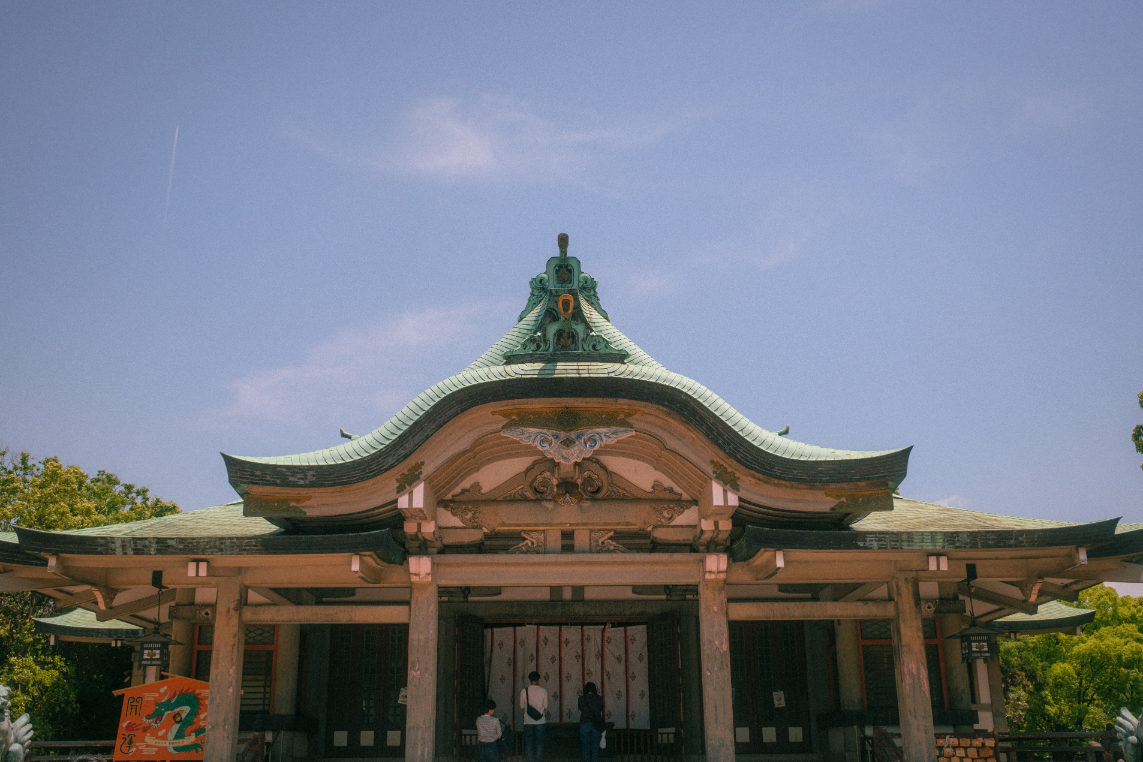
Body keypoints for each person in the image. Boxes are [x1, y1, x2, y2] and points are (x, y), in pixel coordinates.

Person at [520, 670, 548, 762]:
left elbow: (522, 706)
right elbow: (546, 706)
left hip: (528, 721)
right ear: (539, 679)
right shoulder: (543, 691)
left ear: (529, 680)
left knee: (528, 744)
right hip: (540, 721)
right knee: (539, 744)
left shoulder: (524, 691)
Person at [578, 682, 605, 762]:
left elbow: (580, 708)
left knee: (586, 748)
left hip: (585, 724)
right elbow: (601, 709)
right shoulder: (599, 698)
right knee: (595, 748)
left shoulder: (581, 699)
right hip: (596, 725)